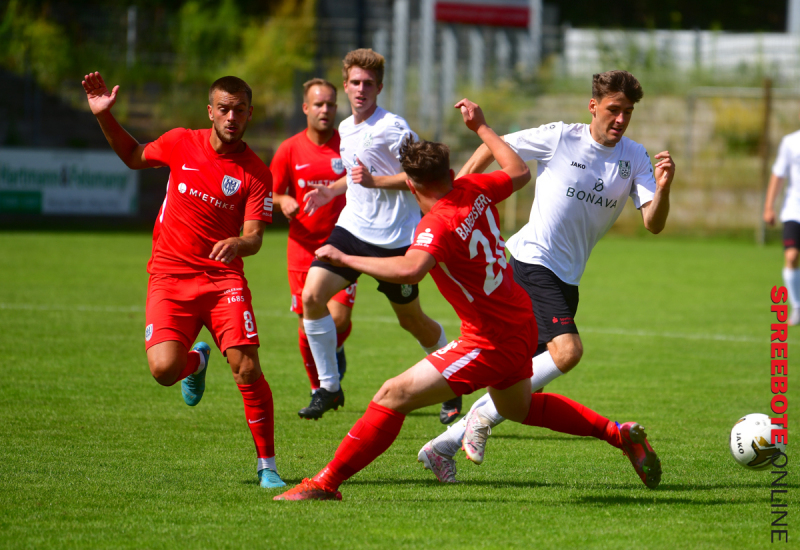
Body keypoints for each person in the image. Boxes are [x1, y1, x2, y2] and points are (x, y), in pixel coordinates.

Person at [273, 99, 657, 502]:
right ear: (451, 174)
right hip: (519, 319)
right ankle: (619, 435)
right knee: (519, 409)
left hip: (488, 339)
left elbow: (409, 270)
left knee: (392, 395)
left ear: (410, 184)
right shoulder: (473, 188)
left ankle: (324, 484)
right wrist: (482, 127)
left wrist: (344, 256)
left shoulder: (436, 224)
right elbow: (518, 171)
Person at [418, 70, 672, 489]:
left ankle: (442, 446)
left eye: (628, 112)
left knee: (512, 380)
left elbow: (653, 223)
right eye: (613, 109)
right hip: (530, 261)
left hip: (565, 279)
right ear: (593, 106)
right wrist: (456, 197)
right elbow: (496, 146)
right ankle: (478, 416)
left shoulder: (635, 157)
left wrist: (662, 189)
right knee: (567, 351)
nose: (621, 119)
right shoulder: (561, 137)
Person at [81, 71, 286, 489]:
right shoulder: (180, 142)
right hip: (170, 277)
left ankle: (268, 465)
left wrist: (238, 243)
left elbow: (255, 238)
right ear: (210, 111)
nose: (232, 117)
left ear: (249, 115)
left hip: (222, 280)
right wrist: (104, 116)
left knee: (247, 368)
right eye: (224, 109)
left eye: (240, 110)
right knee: (163, 371)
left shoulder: (256, 173)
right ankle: (197, 360)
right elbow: (135, 156)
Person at [295, 48, 457, 423]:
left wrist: (376, 181)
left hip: (395, 241)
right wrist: (331, 191)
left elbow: (421, 176)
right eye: (354, 82)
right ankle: (329, 387)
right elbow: (355, 173)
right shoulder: (346, 129)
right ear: (346, 85)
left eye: (368, 83)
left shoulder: (394, 128)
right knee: (312, 297)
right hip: (352, 229)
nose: (361, 89)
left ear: (380, 87)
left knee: (412, 322)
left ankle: (453, 382)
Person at [270, 78, 356, 396]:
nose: (325, 109)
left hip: (342, 246)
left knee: (340, 319)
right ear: (306, 108)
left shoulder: (347, 144)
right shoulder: (289, 149)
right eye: (318, 104)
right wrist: (283, 201)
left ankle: (332, 349)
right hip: (302, 248)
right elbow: (270, 194)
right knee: (308, 324)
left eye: (331, 104)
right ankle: (319, 387)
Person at [764, 121, 800, 325]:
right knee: (792, 255)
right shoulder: (791, 142)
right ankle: (797, 306)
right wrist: (769, 206)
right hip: (795, 211)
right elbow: (778, 175)